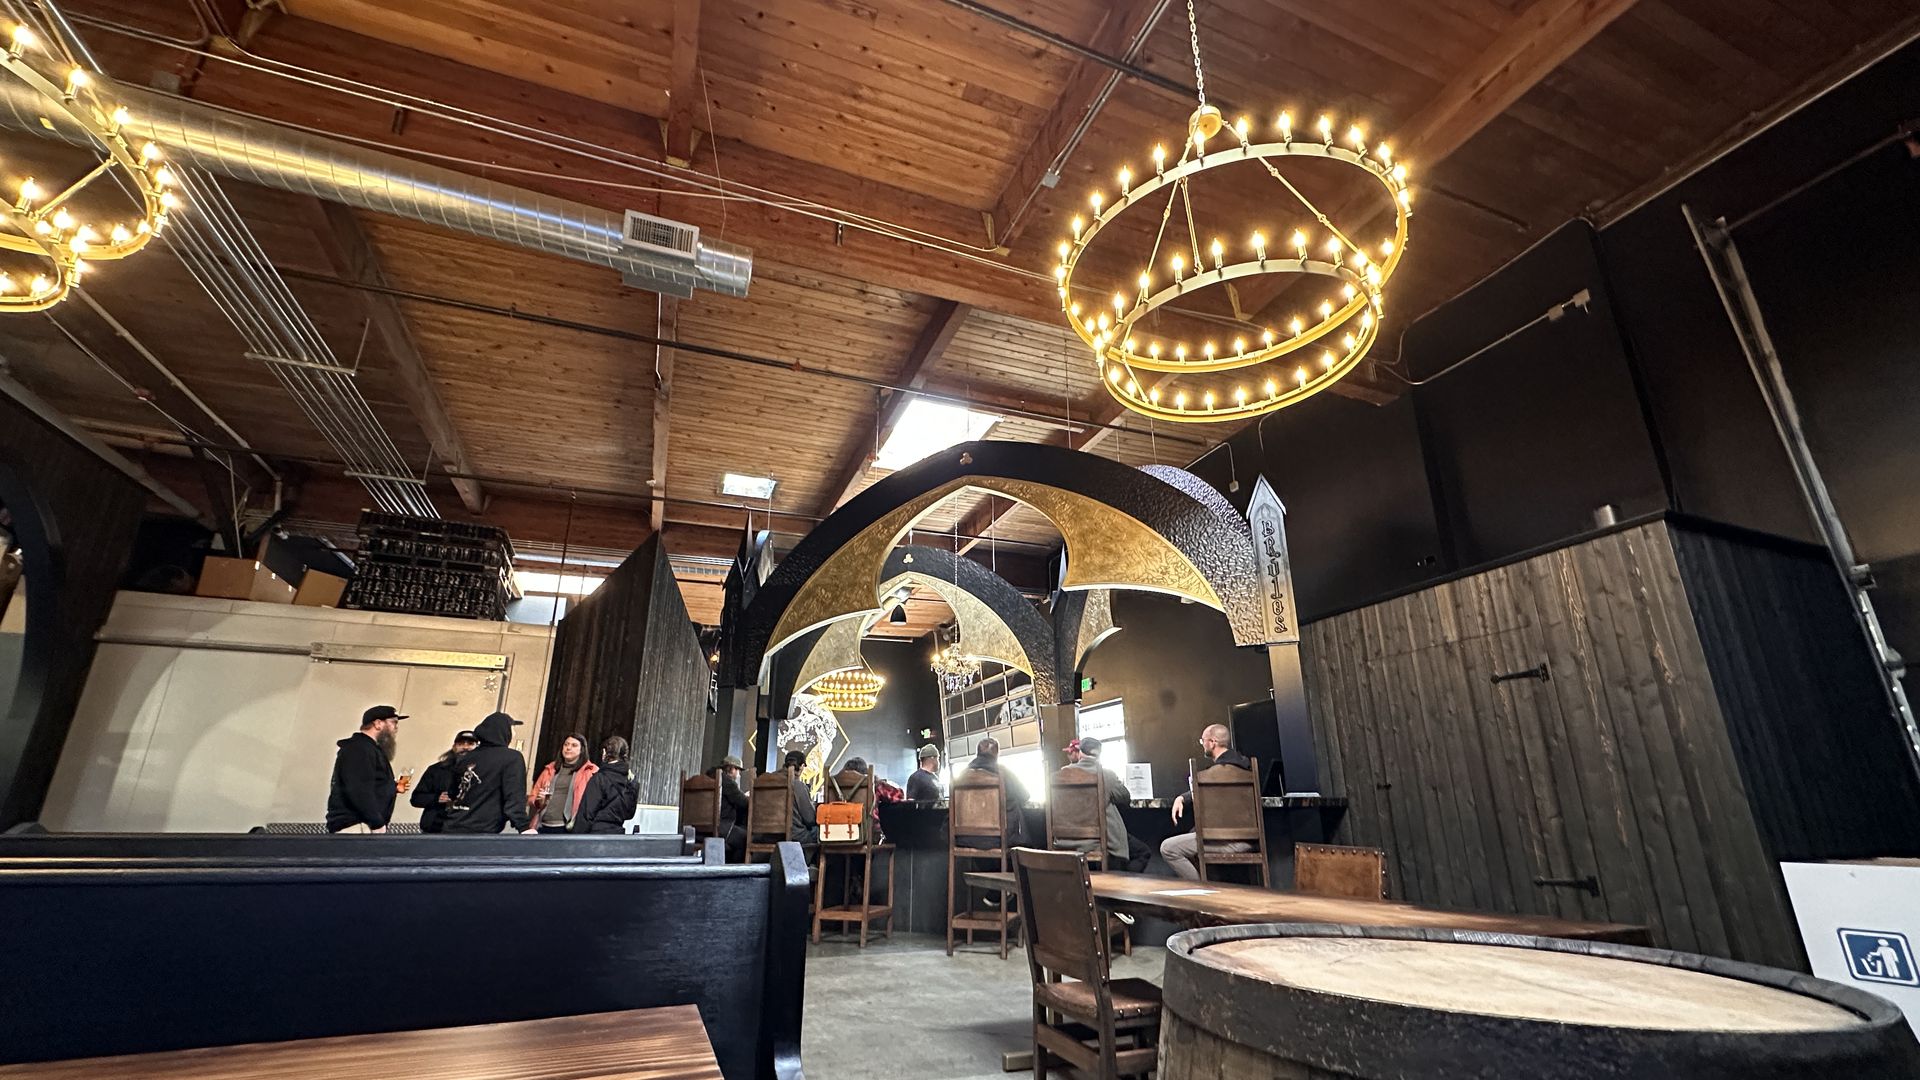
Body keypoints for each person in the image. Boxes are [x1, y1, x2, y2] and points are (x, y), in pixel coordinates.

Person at [1160, 722, 1253, 879]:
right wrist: (1184, 796)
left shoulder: (1213, 774)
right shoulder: (1247, 767)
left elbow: (1201, 793)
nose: (1202, 745)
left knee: (1168, 848)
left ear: (1213, 742)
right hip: (1249, 840)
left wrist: (1182, 798)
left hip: (1222, 841)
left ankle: (1201, 890)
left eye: (1203, 741)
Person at [1067, 736, 1150, 872]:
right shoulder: (1107, 776)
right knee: (1143, 852)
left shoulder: (1059, 776)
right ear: (1098, 755)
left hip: (1069, 842)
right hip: (1101, 841)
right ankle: (1121, 884)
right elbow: (1125, 797)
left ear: (1080, 752)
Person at [442, 711, 531, 834]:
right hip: (482, 832)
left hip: (451, 827)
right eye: (512, 728)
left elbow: (452, 793)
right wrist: (524, 827)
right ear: (505, 731)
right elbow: (514, 797)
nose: (514, 733)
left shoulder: (465, 758)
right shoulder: (512, 758)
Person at [326, 705, 404, 833]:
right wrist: (377, 823)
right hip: (356, 826)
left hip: (364, 824)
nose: (396, 728)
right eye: (393, 722)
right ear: (378, 723)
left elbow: (370, 782)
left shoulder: (370, 749)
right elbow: (359, 789)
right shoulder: (359, 749)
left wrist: (392, 787)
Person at [957, 736, 1026, 847]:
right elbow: (1024, 796)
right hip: (998, 838)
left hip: (964, 838)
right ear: (997, 754)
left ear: (977, 753)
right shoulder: (1004, 773)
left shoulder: (962, 776)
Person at [529, 732, 599, 834]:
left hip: (568, 827)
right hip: (543, 824)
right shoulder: (550, 769)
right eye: (566, 744)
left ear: (582, 750)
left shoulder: (590, 771)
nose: (568, 748)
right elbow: (533, 797)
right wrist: (539, 801)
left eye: (574, 745)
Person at [410, 729, 478, 833]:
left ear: (477, 747)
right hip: (435, 828)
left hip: (468, 829)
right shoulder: (436, 770)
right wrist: (437, 798)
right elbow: (416, 799)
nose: (465, 747)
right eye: (461, 744)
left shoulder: (482, 772)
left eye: (470, 744)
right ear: (454, 747)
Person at [570, 735, 638, 833]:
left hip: (595, 836)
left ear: (604, 753)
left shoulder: (599, 779)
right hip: (617, 835)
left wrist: (575, 841)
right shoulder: (631, 781)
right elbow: (629, 814)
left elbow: (586, 815)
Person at [714, 755, 750, 859]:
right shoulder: (726, 782)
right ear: (731, 769)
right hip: (722, 827)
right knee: (747, 839)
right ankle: (735, 872)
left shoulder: (710, 778)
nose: (739, 775)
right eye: (739, 771)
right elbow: (743, 802)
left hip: (698, 829)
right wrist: (747, 796)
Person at [784, 749, 819, 845]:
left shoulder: (766, 781)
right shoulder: (797, 785)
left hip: (764, 835)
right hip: (794, 835)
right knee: (822, 833)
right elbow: (810, 819)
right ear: (802, 766)